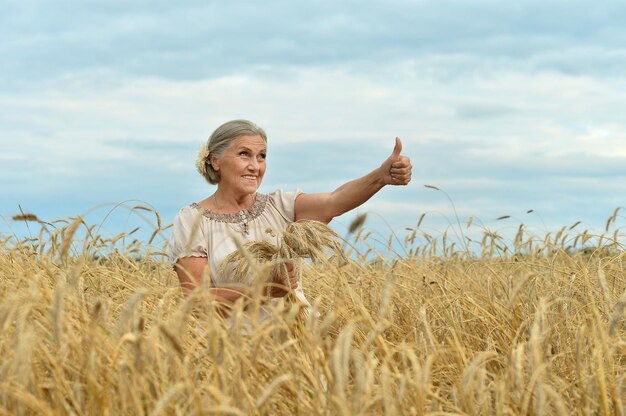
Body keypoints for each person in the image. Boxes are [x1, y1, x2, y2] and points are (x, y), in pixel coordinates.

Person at [169, 119, 412, 316]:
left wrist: (381, 176)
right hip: (232, 356)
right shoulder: (192, 220)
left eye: (262, 156)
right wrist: (265, 289)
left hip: (298, 347)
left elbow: (335, 201)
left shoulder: (280, 206)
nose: (256, 166)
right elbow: (196, 300)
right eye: (244, 154)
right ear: (215, 161)